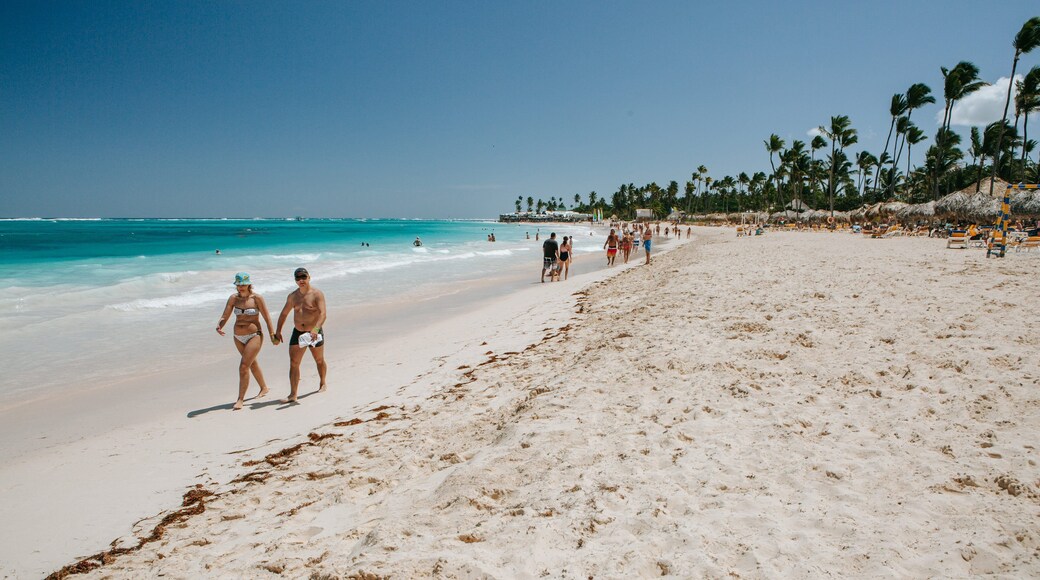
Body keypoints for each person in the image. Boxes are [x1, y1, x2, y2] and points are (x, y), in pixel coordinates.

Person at [216, 273, 275, 410]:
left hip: (254, 335)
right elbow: (225, 315)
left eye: (243, 284)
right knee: (251, 363)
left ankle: (240, 399)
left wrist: (272, 334)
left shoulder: (257, 298)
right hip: (238, 337)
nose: (241, 287)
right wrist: (220, 325)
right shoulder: (233, 298)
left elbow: (267, 317)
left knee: (243, 366)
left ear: (249, 284)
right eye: (238, 284)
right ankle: (264, 388)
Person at [274, 267, 327, 404]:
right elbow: (284, 314)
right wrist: (278, 331)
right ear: (295, 280)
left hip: (314, 332)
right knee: (294, 363)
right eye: (298, 278)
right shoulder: (292, 296)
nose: (301, 280)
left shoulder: (317, 294)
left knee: (319, 360)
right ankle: (293, 394)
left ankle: (322, 382)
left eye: (303, 277)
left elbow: (323, 314)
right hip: (298, 332)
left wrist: (316, 329)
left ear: (309, 277)